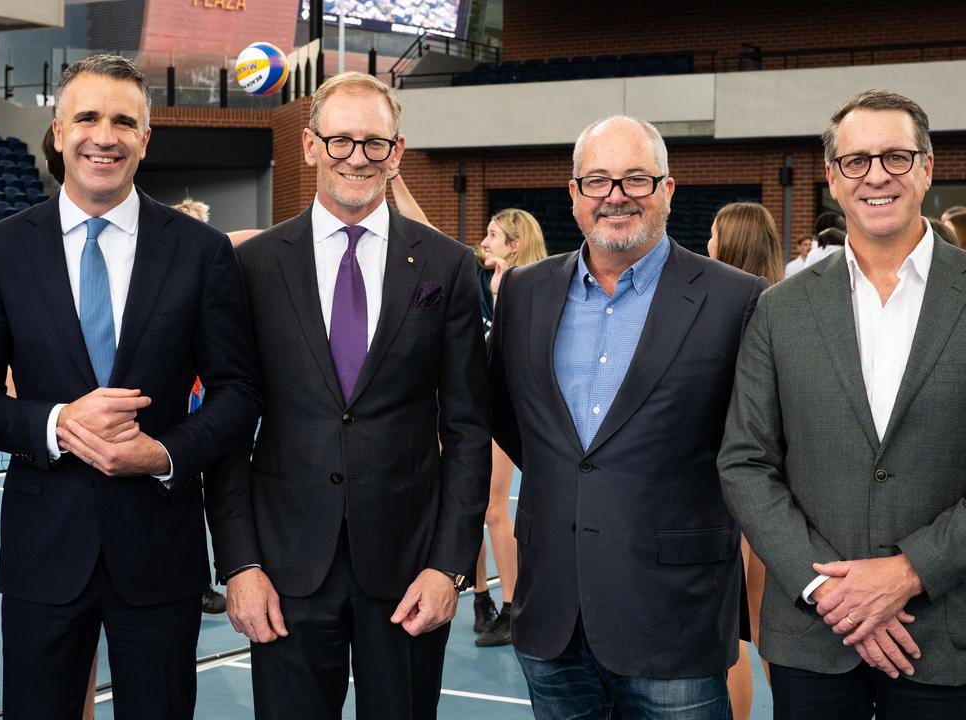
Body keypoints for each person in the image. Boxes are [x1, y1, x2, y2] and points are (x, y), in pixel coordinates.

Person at [0, 54, 260, 719]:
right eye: (89, 117)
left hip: (160, 553)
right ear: (60, 131)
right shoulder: (1, 252)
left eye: (124, 121)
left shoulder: (201, 250)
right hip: (44, 554)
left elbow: (238, 392)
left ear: (145, 140)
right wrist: (56, 422)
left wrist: (163, 454)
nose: (106, 135)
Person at [207, 71, 491, 720]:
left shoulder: (447, 266)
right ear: (309, 146)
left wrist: (449, 566)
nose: (356, 157)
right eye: (339, 141)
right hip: (283, 570)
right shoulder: (253, 268)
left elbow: (469, 431)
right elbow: (228, 427)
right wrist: (240, 564)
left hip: (410, 569)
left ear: (398, 152)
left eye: (374, 142)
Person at [490, 115, 766, 720]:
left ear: (668, 189)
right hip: (552, 612)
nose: (616, 195)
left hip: (675, 618)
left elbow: (753, 448)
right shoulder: (523, 293)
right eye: (598, 180)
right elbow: (517, 424)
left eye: (636, 179)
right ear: (574, 194)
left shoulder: (735, 299)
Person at [720, 89, 966, 720]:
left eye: (895, 157)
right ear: (832, 178)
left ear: (928, 167)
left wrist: (912, 570)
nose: (876, 175)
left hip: (947, 634)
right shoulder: (779, 309)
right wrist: (826, 588)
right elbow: (746, 462)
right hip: (814, 634)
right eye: (856, 161)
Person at [705, 200, 783, 720]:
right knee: (770, 633)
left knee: (733, 633)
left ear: (729, 242)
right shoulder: (785, 304)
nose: (706, 242)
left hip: (732, 490)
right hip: (779, 491)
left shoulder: (725, 312)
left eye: (712, 233)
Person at [471, 208, 547, 648]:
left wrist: (502, 299)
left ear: (515, 245)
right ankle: (480, 596)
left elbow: (518, 356)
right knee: (467, 504)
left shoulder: (531, 287)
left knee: (495, 509)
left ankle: (514, 607)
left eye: (493, 235)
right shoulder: (480, 277)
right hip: (468, 408)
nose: (484, 241)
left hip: (507, 411)